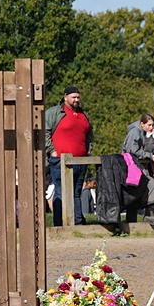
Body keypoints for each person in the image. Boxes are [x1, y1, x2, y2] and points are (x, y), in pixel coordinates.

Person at [44, 85, 93, 226]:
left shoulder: (84, 114)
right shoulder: (55, 112)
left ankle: (78, 223)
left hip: (81, 160)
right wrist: (53, 151)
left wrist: (88, 151)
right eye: (73, 97)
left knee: (77, 192)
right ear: (65, 97)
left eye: (78, 97)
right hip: (60, 160)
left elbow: (89, 133)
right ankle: (59, 224)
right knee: (60, 192)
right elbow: (45, 131)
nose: (76, 100)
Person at [122, 113, 154, 230]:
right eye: (149, 125)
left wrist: (150, 137)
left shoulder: (143, 132)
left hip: (139, 167)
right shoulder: (135, 132)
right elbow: (132, 149)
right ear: (142, 124)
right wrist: (149, 156)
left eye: (152, 125)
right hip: (133, 167)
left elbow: (149, 149)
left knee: (140, 191)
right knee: (150, 187)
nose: (152, 127)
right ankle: (147, 216)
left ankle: (145, 217)